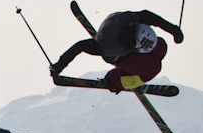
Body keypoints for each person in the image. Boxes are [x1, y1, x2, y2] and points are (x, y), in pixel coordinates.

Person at [51, 9, 184, 92]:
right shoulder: (108, 46)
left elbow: (152, 18)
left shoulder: (134, 19)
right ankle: (117, 80)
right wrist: (59, 66)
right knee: (154, 67)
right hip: (120, 58)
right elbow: (80, 47)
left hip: (113, 28)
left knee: (161, 46)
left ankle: (130, 73)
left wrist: (174, 31)